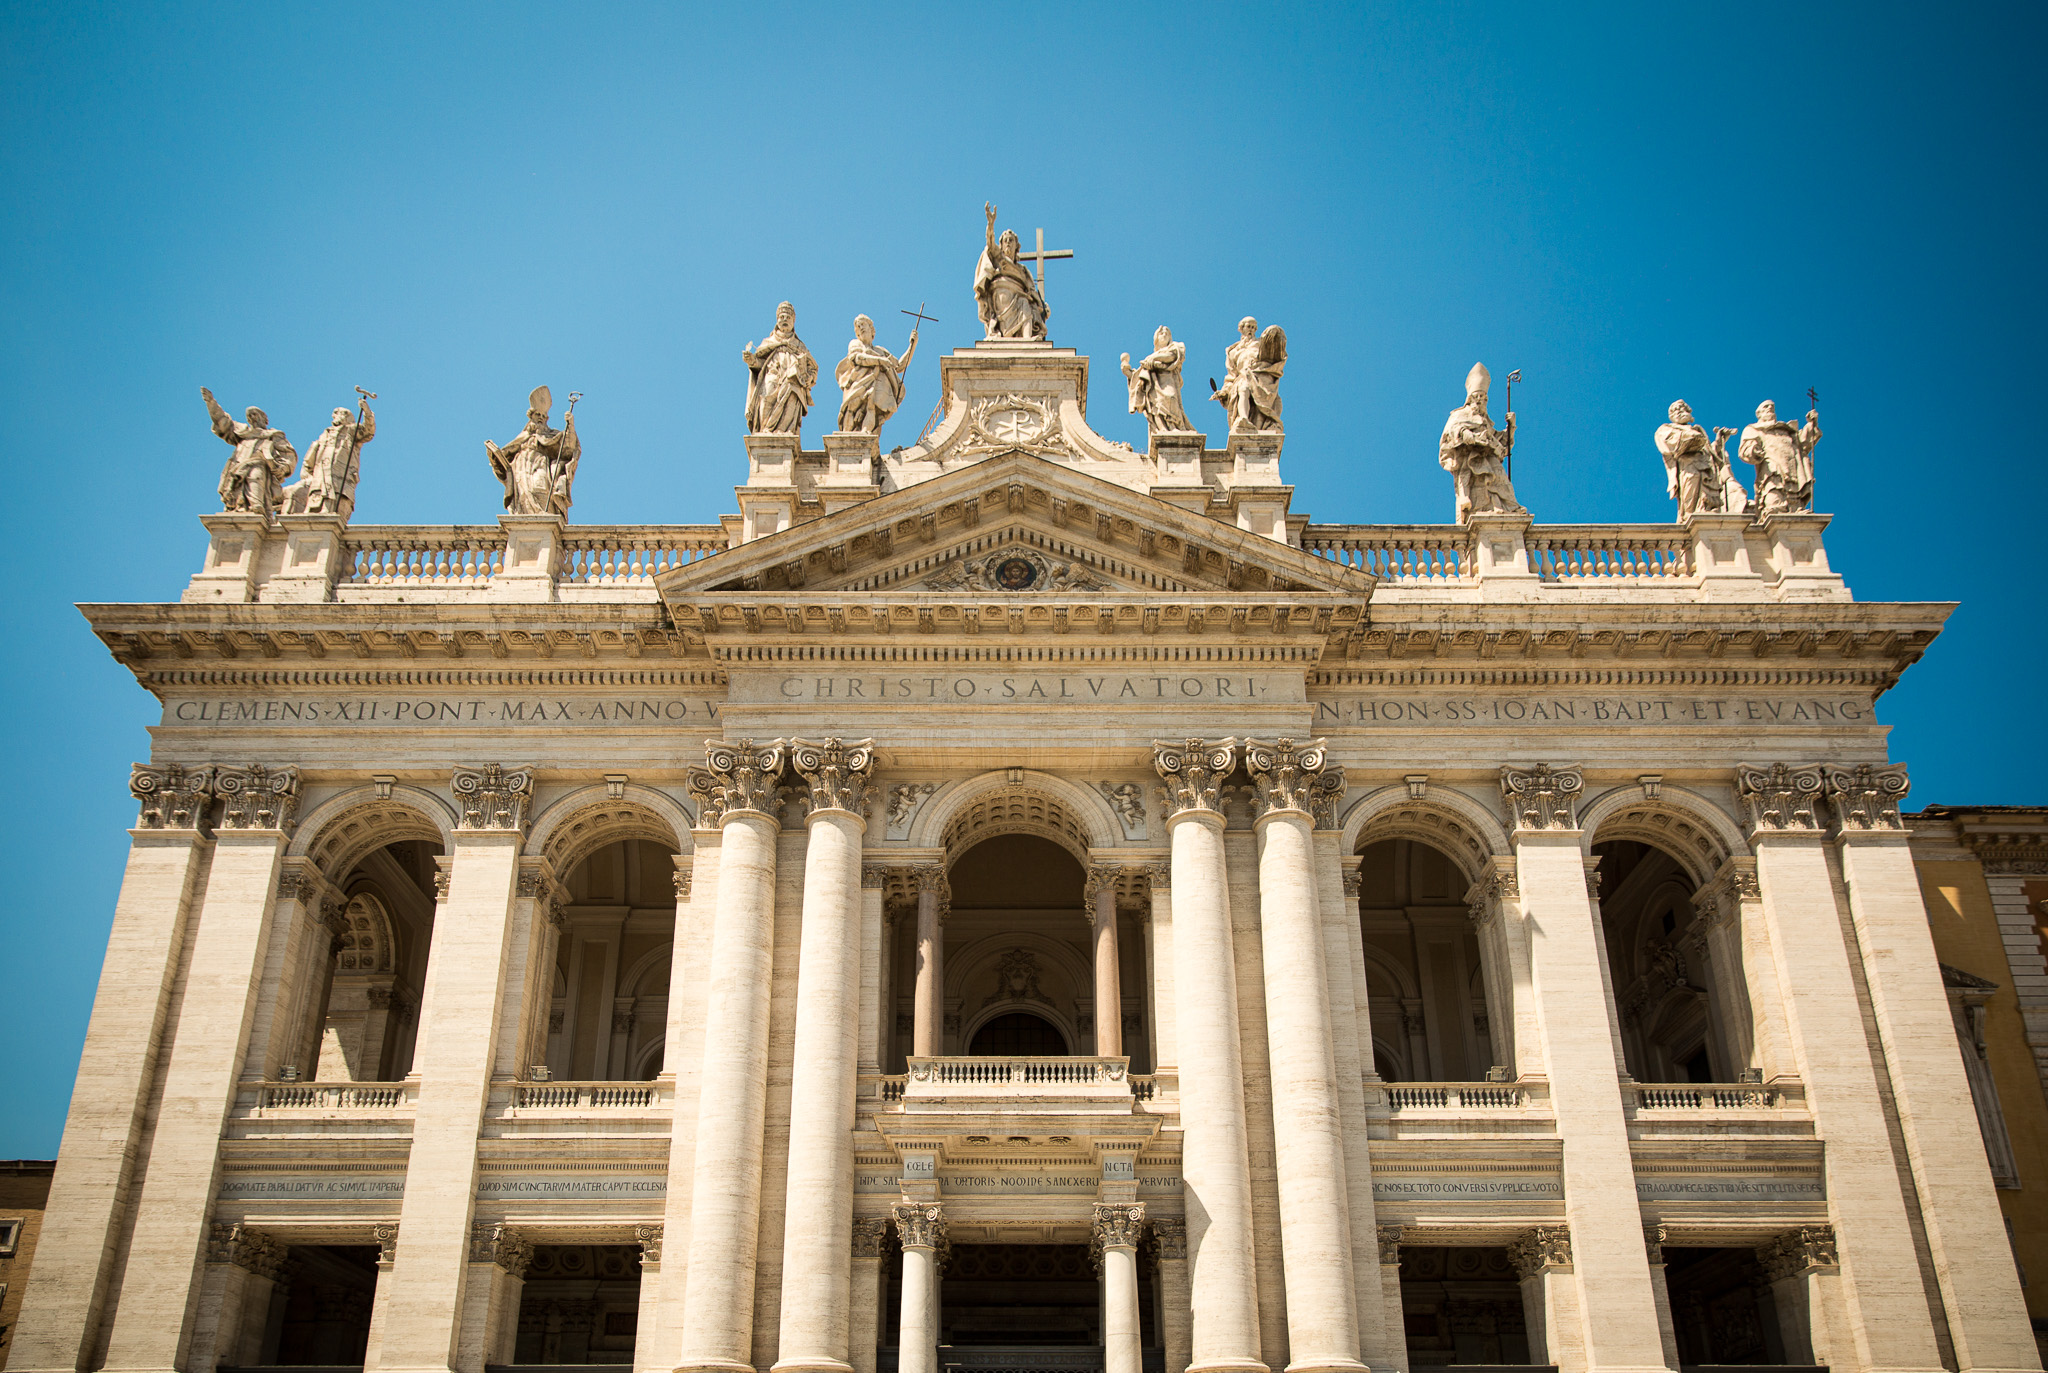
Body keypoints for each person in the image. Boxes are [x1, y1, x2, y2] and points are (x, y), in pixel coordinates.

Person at [1438, 362, 1523, 523]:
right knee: (1472, 480)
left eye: (1483, 399)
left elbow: (1502, 446)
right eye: (1477, 398)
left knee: (1500, 481)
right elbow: (1452, 432)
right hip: (1469, 458)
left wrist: (1510, 428)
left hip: (1488, 459)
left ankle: (1505, 508)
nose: (1480, 402)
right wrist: (1467, 435)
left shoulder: (1486, 423)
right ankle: (1471, 505)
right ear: (1470, 400)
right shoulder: (1459, 415)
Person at [202, 387, 297, 517]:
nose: (252, 417)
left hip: (259, 464)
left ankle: (256, 508)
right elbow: (222, 421)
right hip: (238, 465)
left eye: (255, 414)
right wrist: (211, 403)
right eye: (249, 415)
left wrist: (283, 467)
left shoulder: (273, 435)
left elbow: (288, 454)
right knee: (236, 491)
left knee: (256, 479)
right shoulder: (242, 432)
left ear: (265, 419)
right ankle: (241, 508)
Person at [486, 386, 580, 516]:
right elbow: (506, 456)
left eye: (543, 415)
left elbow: (568, 449)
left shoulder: (551, 435)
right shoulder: (523, 436)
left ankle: (545, 516)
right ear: (531, 417)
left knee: (539, 489)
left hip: (540, 464)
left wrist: (570, 425)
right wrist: (495, 456)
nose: (540, 418)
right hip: (520, 468)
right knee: (523, 495)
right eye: (538, 415)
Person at [283, 397, 375, 520]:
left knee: (337, 500)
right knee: (317, 500)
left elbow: (368, 432)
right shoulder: (324, 435)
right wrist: (308, 478)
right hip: (320, 476)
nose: (336, 416)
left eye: (341, 414)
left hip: (341, 475)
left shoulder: (351, 431)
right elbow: (309, 462)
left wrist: (367, 412)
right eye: (335, 414)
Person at [1654, 400, 1745, 518]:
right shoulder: (1666, 429)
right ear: (1671, 416)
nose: (1679, 411)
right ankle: (1689, 517)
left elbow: (1710, 454)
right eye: (1676, 410)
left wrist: (1719, 441)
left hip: (1706, 468)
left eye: (1682, 408)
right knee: (1690, 501)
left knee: (1708, 499)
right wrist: (1690, 438)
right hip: (1688, 467)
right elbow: (1670, 444)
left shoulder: (1698, 430)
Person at [974, 203, 1049, 340]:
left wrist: (1040, 304)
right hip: (1001, 296)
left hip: (1019, 296)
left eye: (1011, 241)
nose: (1008, 243)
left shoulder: (1023, 270)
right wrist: (990, 224)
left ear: (1017, 246)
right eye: (1005, 241)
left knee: (1025, 303)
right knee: (1022, 302)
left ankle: (1027, 340)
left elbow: (1031, 290)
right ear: (1001, 245)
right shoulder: (998, 258)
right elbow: (990, 244)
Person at [743, 301, 817, 436]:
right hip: (772, 375)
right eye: (781, 317)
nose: (784, 320)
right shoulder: (768, 342)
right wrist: (752, 361)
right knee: (766, 398)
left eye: (788, 317)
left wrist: (808, 378)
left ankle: (785, 431)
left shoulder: (800, 346)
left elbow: (813, 368)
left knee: (791, 395)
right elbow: (760, 364)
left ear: (793, 321)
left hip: (793, 381)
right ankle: (766, 430)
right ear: (777, 320)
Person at [835, 314, 916, 435]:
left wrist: (912, 345)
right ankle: (847, 437)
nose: (861, 327)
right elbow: (857, 358)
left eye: (863, 324)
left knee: (872, 407)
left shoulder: (880, 351)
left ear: (871, 328)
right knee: (851, 406)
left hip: (878, 383)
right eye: (858, 326)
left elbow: (899, 365)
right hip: (858, 382)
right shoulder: (855, 344)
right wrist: (880, 361)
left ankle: (866, 432)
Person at [1739, 399, 1821, 515]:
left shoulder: (1786, 430)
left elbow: (1803, 443)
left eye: (1772, 406)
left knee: (1793, 488)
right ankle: (1774, 508)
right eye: (1766, 407)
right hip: (1771, 465)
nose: (1770, 408)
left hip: (1792, 464)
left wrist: (1811, 424)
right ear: (1759, 413)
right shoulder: (1753, 429)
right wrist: (1754, 451)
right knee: (1773, 487)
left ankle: (1795, 509)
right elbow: (1746, 448)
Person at [1213, 317, 1286, 433]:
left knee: (1246, 387)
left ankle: (1253, 421)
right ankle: (1243, 419)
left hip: (1261, 376)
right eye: (1248, 326)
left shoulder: (1261, 343)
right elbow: (1231, 376)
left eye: (1253, 327)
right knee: (1243, 387)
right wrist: (1224, 391)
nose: (1251, 330)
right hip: (1242, 376)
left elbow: (1277, 349)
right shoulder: (1232, 351)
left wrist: (1275, 330)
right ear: (1241, 328)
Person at [1120, 325, 1194, 436]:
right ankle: (1163, 429)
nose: (1164, 335)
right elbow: (1139, 378)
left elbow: (1171, 357)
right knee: (1156, 406)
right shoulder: (1149, 358)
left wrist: (1154, 360)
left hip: (1168, 380)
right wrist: (1128, 372)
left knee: (1171, 398)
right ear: (1156, 338)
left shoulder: (1175, 347)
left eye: (1166, 333)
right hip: (1154, 386)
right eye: (1161, 333)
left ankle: (1174, 426)